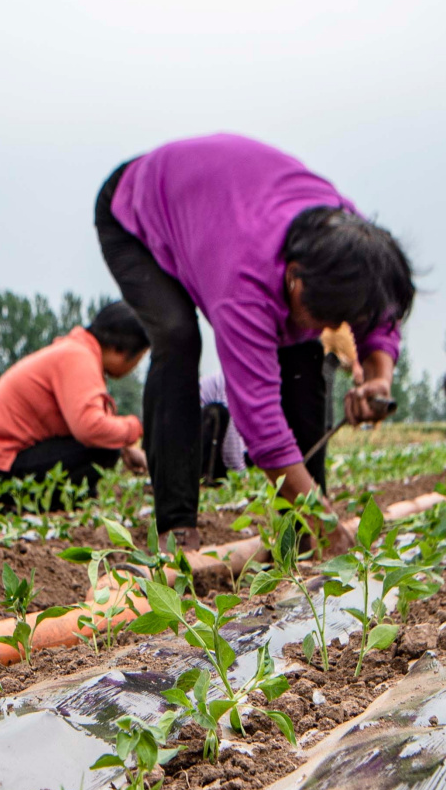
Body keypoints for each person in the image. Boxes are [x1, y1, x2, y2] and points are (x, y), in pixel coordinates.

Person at [96, 133, 414, 547]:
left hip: (216, 201)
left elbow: (379, 313)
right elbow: (259, 419)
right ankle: (176, 526)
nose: (335, 324)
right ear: (294, 275)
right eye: (326, 315)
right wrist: (329, 528)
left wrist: (378, 377)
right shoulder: (243, 283)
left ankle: (300, 524)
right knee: (177, 336)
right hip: (136, 208)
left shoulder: (349, 240)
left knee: (304, 350)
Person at [0, 301, 149, 505]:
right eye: (139, 358)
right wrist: (137, 427)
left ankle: (71, 498)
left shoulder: (76, 351)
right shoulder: (79, 358)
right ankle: (64, 501)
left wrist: (124, 448)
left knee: (107, 445)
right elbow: (91, 427)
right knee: (103, 450)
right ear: (119, 350)